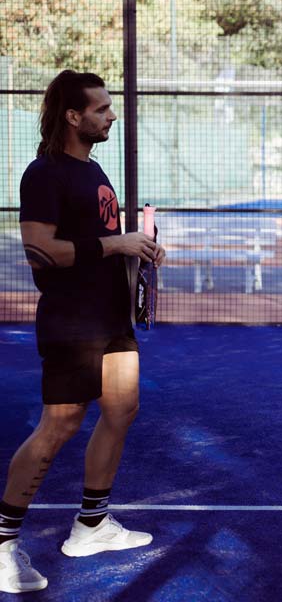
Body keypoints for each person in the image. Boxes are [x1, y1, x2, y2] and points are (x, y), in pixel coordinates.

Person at [2, 71, 165, 594]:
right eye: (101, 109)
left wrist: (140, 257)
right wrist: (116, 244)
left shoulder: (93, 171)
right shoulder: (44, 173)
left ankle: (91, 526)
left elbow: (99, 244)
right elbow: (41, 253)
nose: (111, 115)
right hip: (71, 320)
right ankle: (3, 544)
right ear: (73, 116)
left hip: (110, 316)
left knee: (122, 409)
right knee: (59, 425)